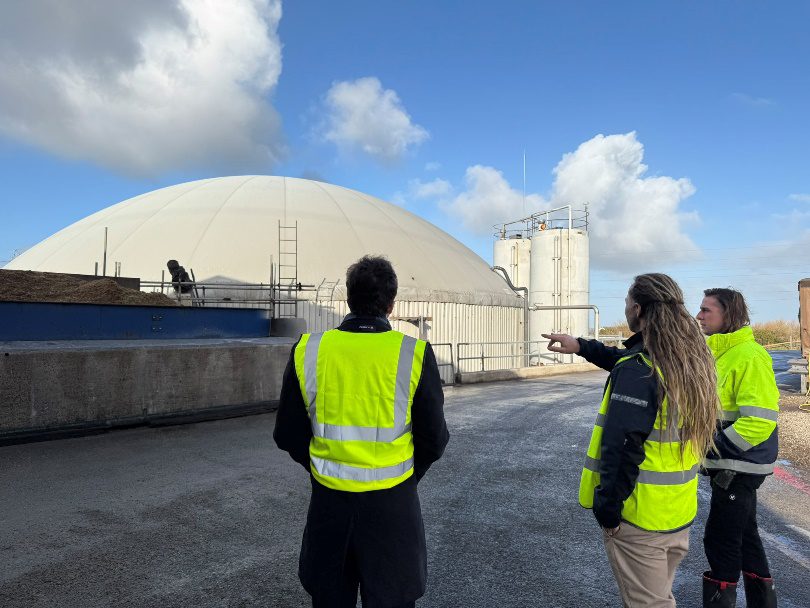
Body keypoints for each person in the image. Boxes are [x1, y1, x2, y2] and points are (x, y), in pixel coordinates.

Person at [274, 255, 449, 608]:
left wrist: (323, 468)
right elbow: (434, 438)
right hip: (392, 508)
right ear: (391, 303)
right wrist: (404, 476)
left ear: (348, 300)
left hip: (330, 505)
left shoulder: (310, 349)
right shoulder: (413, 353)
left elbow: (287, 433)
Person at [544, 273, 718, 608]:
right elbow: (622, 360)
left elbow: (622, 448)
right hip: (676, 514)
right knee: (656, 598)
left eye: (626, 301)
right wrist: (581, 346)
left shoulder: (640, 370)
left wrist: (608, 510)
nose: (624, 307)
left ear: (637, 309)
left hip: (640, 519)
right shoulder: (688, 361)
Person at [697, 288, 779, 607]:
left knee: (721, 540)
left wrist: (712, 448)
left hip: (738, 465)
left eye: (706, 310)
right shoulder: (721, 353)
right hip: (733, 463)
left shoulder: (750, 355)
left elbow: (759, 421)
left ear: (727, 315)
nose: (699, 316)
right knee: (745, 538)